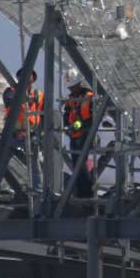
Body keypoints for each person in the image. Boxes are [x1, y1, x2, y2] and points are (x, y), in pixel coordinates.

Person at [3, 68, 45, 192]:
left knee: (35, 165)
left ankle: (37, 190)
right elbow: (10, 101)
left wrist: (39, 133)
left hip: (30, 133)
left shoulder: (39, 95)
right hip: (12, 134)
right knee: (0, 163)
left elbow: (42, 115)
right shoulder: (10, 92)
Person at [63, 71, 96, 199]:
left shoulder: (89, 97)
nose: (71, 89)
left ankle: (86, 194)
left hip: (85, 133)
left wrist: (75, 126)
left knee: (81, 166)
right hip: (75, 134)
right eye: (70, 87)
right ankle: (81, 193)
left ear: (79, 84)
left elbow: (90, 119)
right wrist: (67, 126)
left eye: (73, 86)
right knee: (77, 165)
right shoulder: (71, 99)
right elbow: (66, 114)